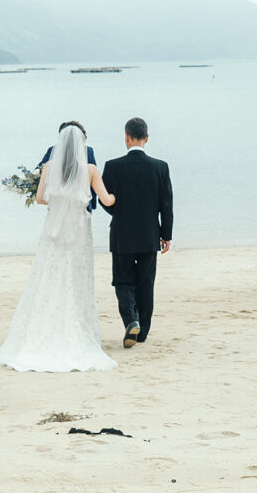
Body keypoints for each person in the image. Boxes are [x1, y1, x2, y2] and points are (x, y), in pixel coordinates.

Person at [0, 124, 118, 372]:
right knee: (77, 283)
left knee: (48, 281)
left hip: (52, 234)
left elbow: (41, 198)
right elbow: (106, 200)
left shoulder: (50, 168)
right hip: (78, 235)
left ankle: (42, 330)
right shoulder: (91, 170)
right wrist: (121, 194)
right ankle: (77, 331)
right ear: (82, 144)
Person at [101, 117, 173, 347]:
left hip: (122, 234)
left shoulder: (112, 166)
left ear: (126, 137)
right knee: (145, 283)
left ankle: (131, 321)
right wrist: (166, 234)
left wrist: (119, 213)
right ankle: (142, 333)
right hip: (149, 234)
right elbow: (167, 205)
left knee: (122, 281)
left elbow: (104, 199)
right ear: (147, 138)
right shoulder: (160, 167)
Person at [41, 121, 98, 212]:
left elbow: (39, 173)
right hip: (82, 204)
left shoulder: (53, 150)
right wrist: (93, 203)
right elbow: (93, 181)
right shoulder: (88, 151)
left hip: (57, 205)